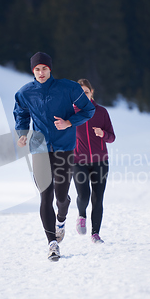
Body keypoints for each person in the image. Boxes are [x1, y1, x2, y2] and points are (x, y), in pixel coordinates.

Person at [14, 52, 95, 261]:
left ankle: (61, 218)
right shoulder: (25, 93)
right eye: (37, 69)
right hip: (39, 148)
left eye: (44, 68)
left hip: (64, 146)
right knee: (45, 194)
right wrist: (22, 134)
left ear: (50, 69)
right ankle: (52, 244)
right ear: (33, 71)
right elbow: (21, 114)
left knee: (60, 196)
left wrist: (69, 122)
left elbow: (89, 109)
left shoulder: (69, 88)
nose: (41, 73)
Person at [73, 79, 115, 244]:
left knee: (98, 198)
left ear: (92, 92)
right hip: (78, 161)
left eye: (86, 92)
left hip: (100, 162)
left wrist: (102, 134)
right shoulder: (70, 113)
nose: (83, 95)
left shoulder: (102, 112)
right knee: (84, 195)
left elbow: (112, 137)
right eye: (80, 92)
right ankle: (81, 215)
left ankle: (95, 234)